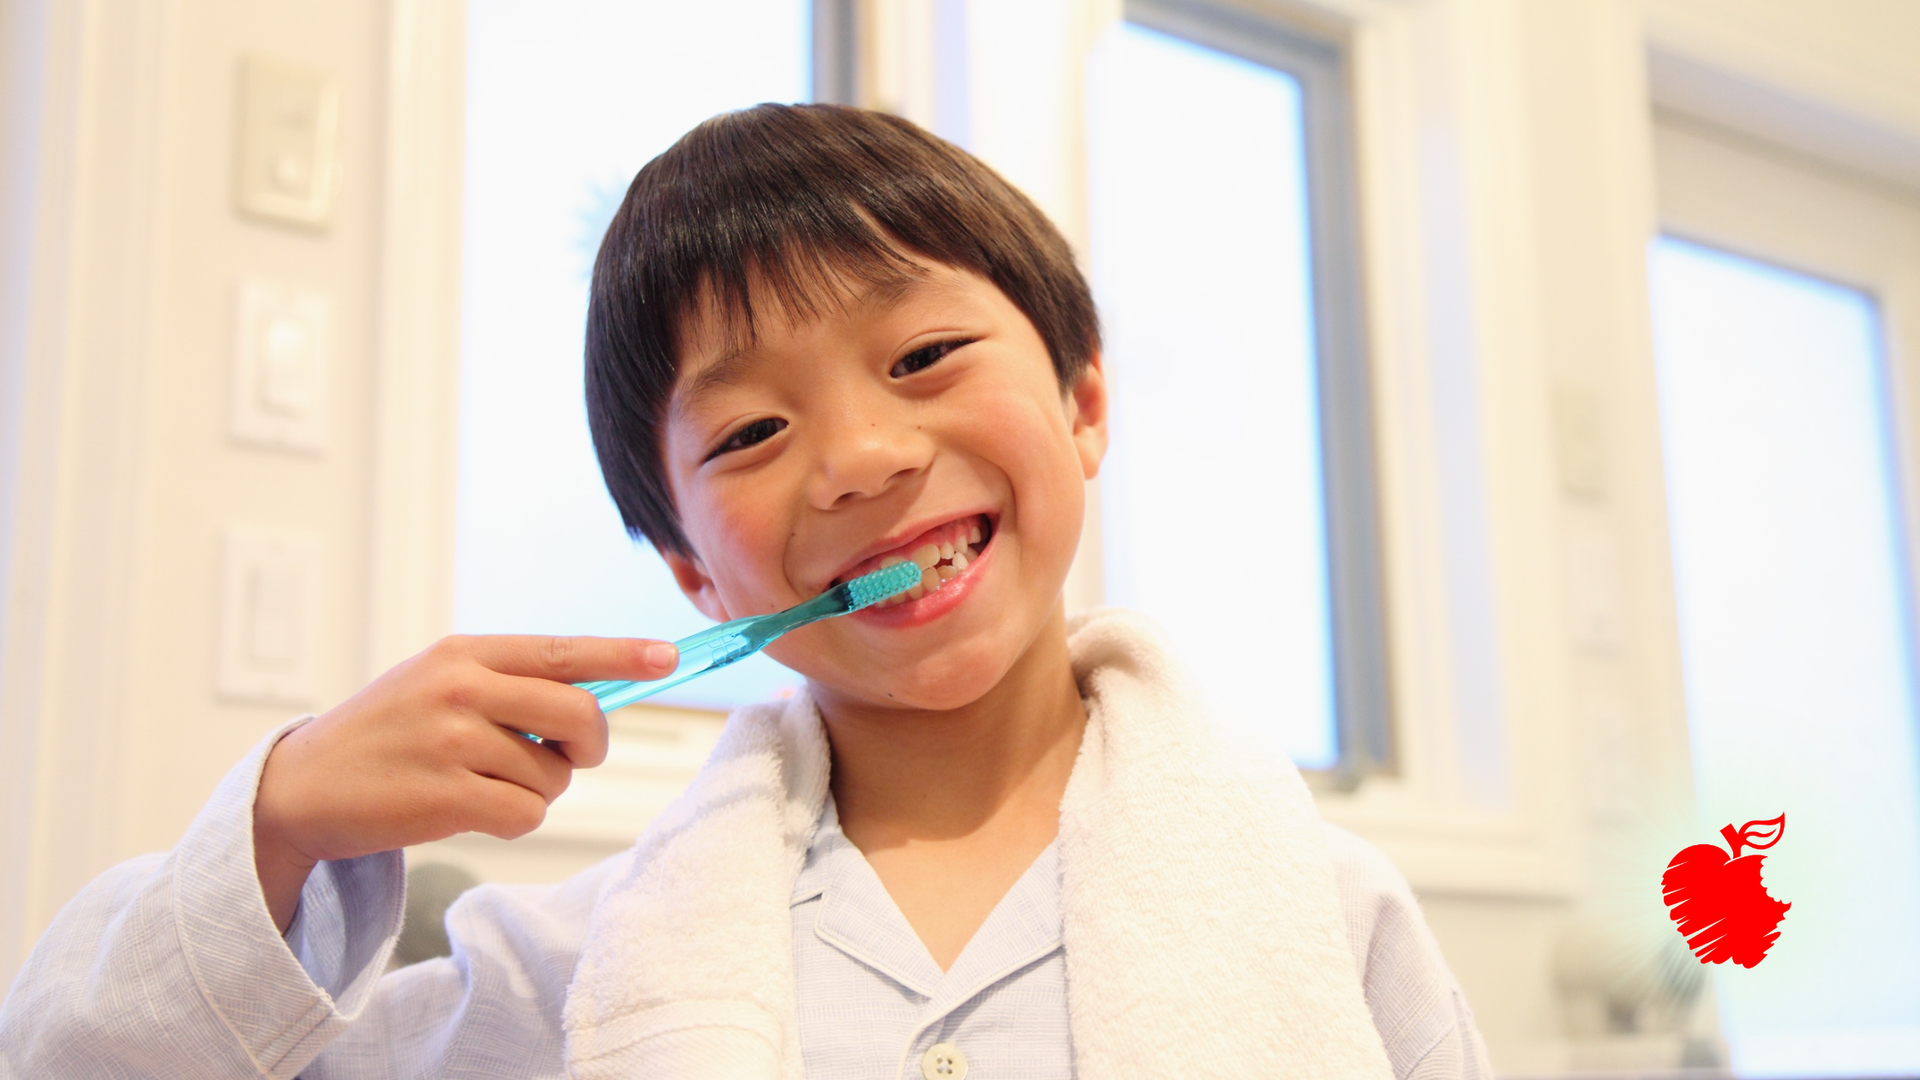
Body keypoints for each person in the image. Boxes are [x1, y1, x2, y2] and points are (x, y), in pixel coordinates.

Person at [0, 103, 1490, 1079]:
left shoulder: (1322, 913)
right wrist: (284, 816)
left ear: (1084, 399)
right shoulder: (576, 975)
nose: (857, 458)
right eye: (752, 433)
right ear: (689, 564)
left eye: (923, 358)